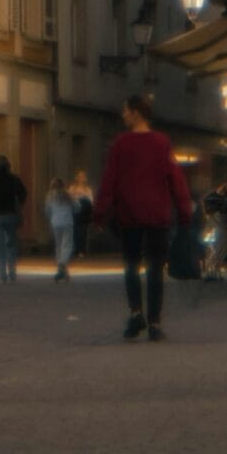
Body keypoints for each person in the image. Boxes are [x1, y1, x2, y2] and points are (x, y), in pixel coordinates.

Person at [99, 94, 195, 341]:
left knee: (131, 264)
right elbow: (175, 178)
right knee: (155, 268)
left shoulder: (120, 144)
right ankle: (154, 322)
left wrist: (99, 212)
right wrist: (184, 211)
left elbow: (109, 179)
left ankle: (135, 313)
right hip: (157, 215)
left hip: (129, 214)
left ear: (135, 113)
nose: (123, 115)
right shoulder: (162, 143)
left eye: (125, 110)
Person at [45, 179, 77, 281]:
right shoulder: (68, 195)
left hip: (55, 222)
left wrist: (50, 217)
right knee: (67, 245)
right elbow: (77, 207)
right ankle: (62, 263)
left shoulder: (50, 196)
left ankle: (62, 270)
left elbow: (47, 210)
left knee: (59, 245)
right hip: (67, 222)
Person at [67, 167, 96, 260]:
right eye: (79, 176)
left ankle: (82, 250)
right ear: (76, 178)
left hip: (84, 213)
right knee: (75, 231)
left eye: (82, 176)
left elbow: (91, 201)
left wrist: (84, 199)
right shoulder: (72, 188)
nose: (81, 178)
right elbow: (68, 199)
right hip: (75, 212)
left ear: (85, 178)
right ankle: (75, 249)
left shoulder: (88, 190)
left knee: (83, 232)